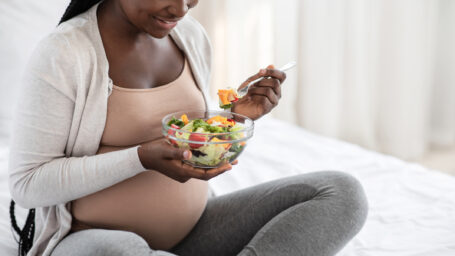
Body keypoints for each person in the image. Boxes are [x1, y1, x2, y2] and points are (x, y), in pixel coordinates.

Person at [8, 0, 368, 255]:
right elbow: (27, 186)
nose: (181, 8)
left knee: (341, 193)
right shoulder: (64, 55)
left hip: (198, 230)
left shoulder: (190, 36)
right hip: (96, 242)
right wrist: (141, 157)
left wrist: (237, 119)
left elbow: (193, 142)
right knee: (118, 250)